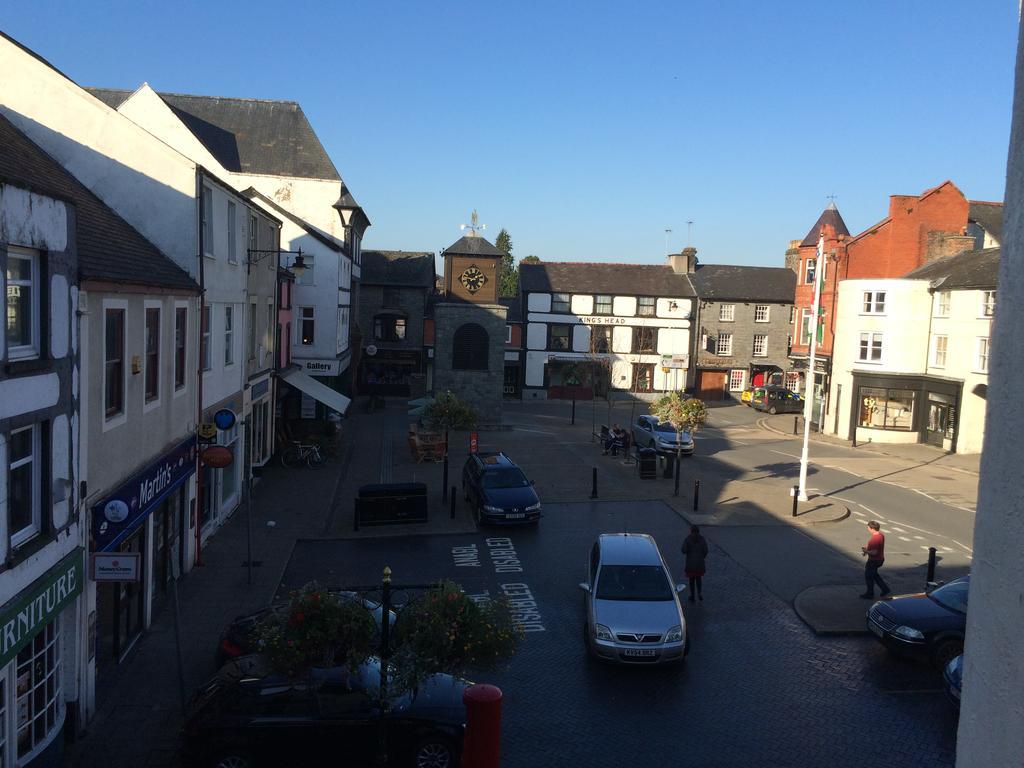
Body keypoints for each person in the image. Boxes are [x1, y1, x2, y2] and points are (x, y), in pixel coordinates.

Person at [860, 520, 891, 599]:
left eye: (868, 527)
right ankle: (885, 589)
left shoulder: (875, 539)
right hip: (879, 559)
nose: (867, 529)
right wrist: (867, 550)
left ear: (872, 528)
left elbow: (874, 552)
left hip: (874, 561)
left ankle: (870, 593)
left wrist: (866, 551)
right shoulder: (880, 535)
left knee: (869, 576)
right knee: (874, 575)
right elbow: (873, 547)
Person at [681, 525, 708, 603]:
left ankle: (692, 596)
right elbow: (706, 550)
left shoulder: (688, 539)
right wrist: (702, 557)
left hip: (690, 564)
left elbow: (683, 550)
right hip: (700, 563)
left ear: (691, 531)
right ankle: (699, 593)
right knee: (699, 579)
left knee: (691, 580)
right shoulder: (702, 539)